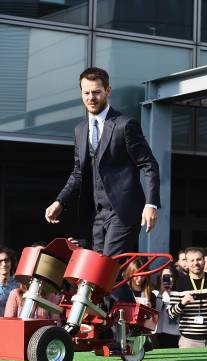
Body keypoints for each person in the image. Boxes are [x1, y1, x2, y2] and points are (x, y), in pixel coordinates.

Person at [43, 67, 160, 301]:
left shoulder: (125, 125)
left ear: (107, 91)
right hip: (97, 214)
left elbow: (148, 164)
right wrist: (60, 201)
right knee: (101, 276)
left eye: (96, 92)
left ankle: (130, 325)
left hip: (122, 212)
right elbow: (78, 172)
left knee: (105, 269)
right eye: (86, 93)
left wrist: (151, 204)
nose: (91, 98)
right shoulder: (79, 130)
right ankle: (121, 326)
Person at [167, 247, 207, 348]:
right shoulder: (179, 282)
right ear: (187, 263)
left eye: (199, 259)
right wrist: (182, 303)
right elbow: (171, 313)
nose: (195, 263)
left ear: (204, 261)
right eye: (192, 260)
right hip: (188, 341)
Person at [152, 264, 180, 348]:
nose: (168, 279)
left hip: (175, 332)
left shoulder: (179, 292)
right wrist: (161, 292)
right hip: (159, 332)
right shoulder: (155, 293)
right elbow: (156, 311)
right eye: (165, 276)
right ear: (160, 278)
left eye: (171, 276)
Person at [0, 247, 19, 316]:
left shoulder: (19, 284)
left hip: (15, 324)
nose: (4, 264)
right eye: (0, 261)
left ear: (11, 262)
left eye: (6, 260)